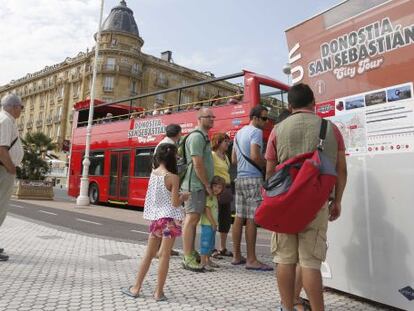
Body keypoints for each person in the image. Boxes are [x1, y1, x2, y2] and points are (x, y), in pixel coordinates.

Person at [265, 84, 347, 311]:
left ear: (289, 106)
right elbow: (341, 170)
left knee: (284, 259)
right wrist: (337, 200)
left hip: (284, 204)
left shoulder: (277, 130)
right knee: (310, 262)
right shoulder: (331, 129)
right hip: (316, 204)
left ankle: (287, 308)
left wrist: (273, 201)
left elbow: (270, 172)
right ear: (313, 102)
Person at [121, 143, 189, 301]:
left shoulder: (153, 173)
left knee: (149, 254)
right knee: (164, 255)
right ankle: (158, 293)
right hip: (170, 220)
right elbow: (174, 203)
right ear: (173, 158)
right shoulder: (173, 177)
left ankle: (136, 287)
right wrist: (183, 197)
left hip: (157, 219)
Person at [231, 105, 273, 271]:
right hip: (253, 178)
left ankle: (236, 256)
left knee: (239, 217)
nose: (266, 122)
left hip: (240, 179)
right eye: (263, 118)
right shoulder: (256, 132)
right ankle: (251, 259)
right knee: (252, 219)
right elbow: (256, 156)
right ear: (255, 118)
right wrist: (268, 165)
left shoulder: (239, 133)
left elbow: (234, 160)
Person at [181, 107, 215, 272]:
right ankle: (187, 257)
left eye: (213, 117)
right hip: (194, 185)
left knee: (193, 221)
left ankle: (190, 252)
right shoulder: (196, 137)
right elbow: (197, 163)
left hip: (197, 184)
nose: (212, 119)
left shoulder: (203, 137)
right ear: (200, 119)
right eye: (209, 117)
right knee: (191, 219)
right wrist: (207, 184)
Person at [0, 94, 24, 262]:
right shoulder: (5, 121)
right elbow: (2, 149)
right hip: (3, 170)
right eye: (21, 107)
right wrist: (11, 169)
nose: (21, 110)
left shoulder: (6, 120)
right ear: (13, 106)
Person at [154, 123, 182, 257]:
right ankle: (163, 250)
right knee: (169, 216)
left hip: (159, 180)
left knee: (160, 218)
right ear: (178, 133)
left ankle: (160, 249)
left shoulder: (161, 143)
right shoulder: (170, 146)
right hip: (168, 182)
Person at [211, 133, 233, 258]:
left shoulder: (226, 156)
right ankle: (211, 248)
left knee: (225, 220)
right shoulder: (212, 155)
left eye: (228, 141)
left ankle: (222, 247)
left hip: (227, 189)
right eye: (226, 141)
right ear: (218, 142)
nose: (228, 144)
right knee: (213, 219)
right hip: (217, 190)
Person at [199, 175, 225, 271]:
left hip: (212, 224)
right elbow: (207, 210)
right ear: (211, 186)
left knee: (210, 244)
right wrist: (213, 223)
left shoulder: (214, 197)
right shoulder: (209, 197)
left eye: (219, 187)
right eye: (215, 186)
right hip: (207, 224)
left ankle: (208, 260)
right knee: (205, 243)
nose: (217, 189)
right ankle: (203, 262)